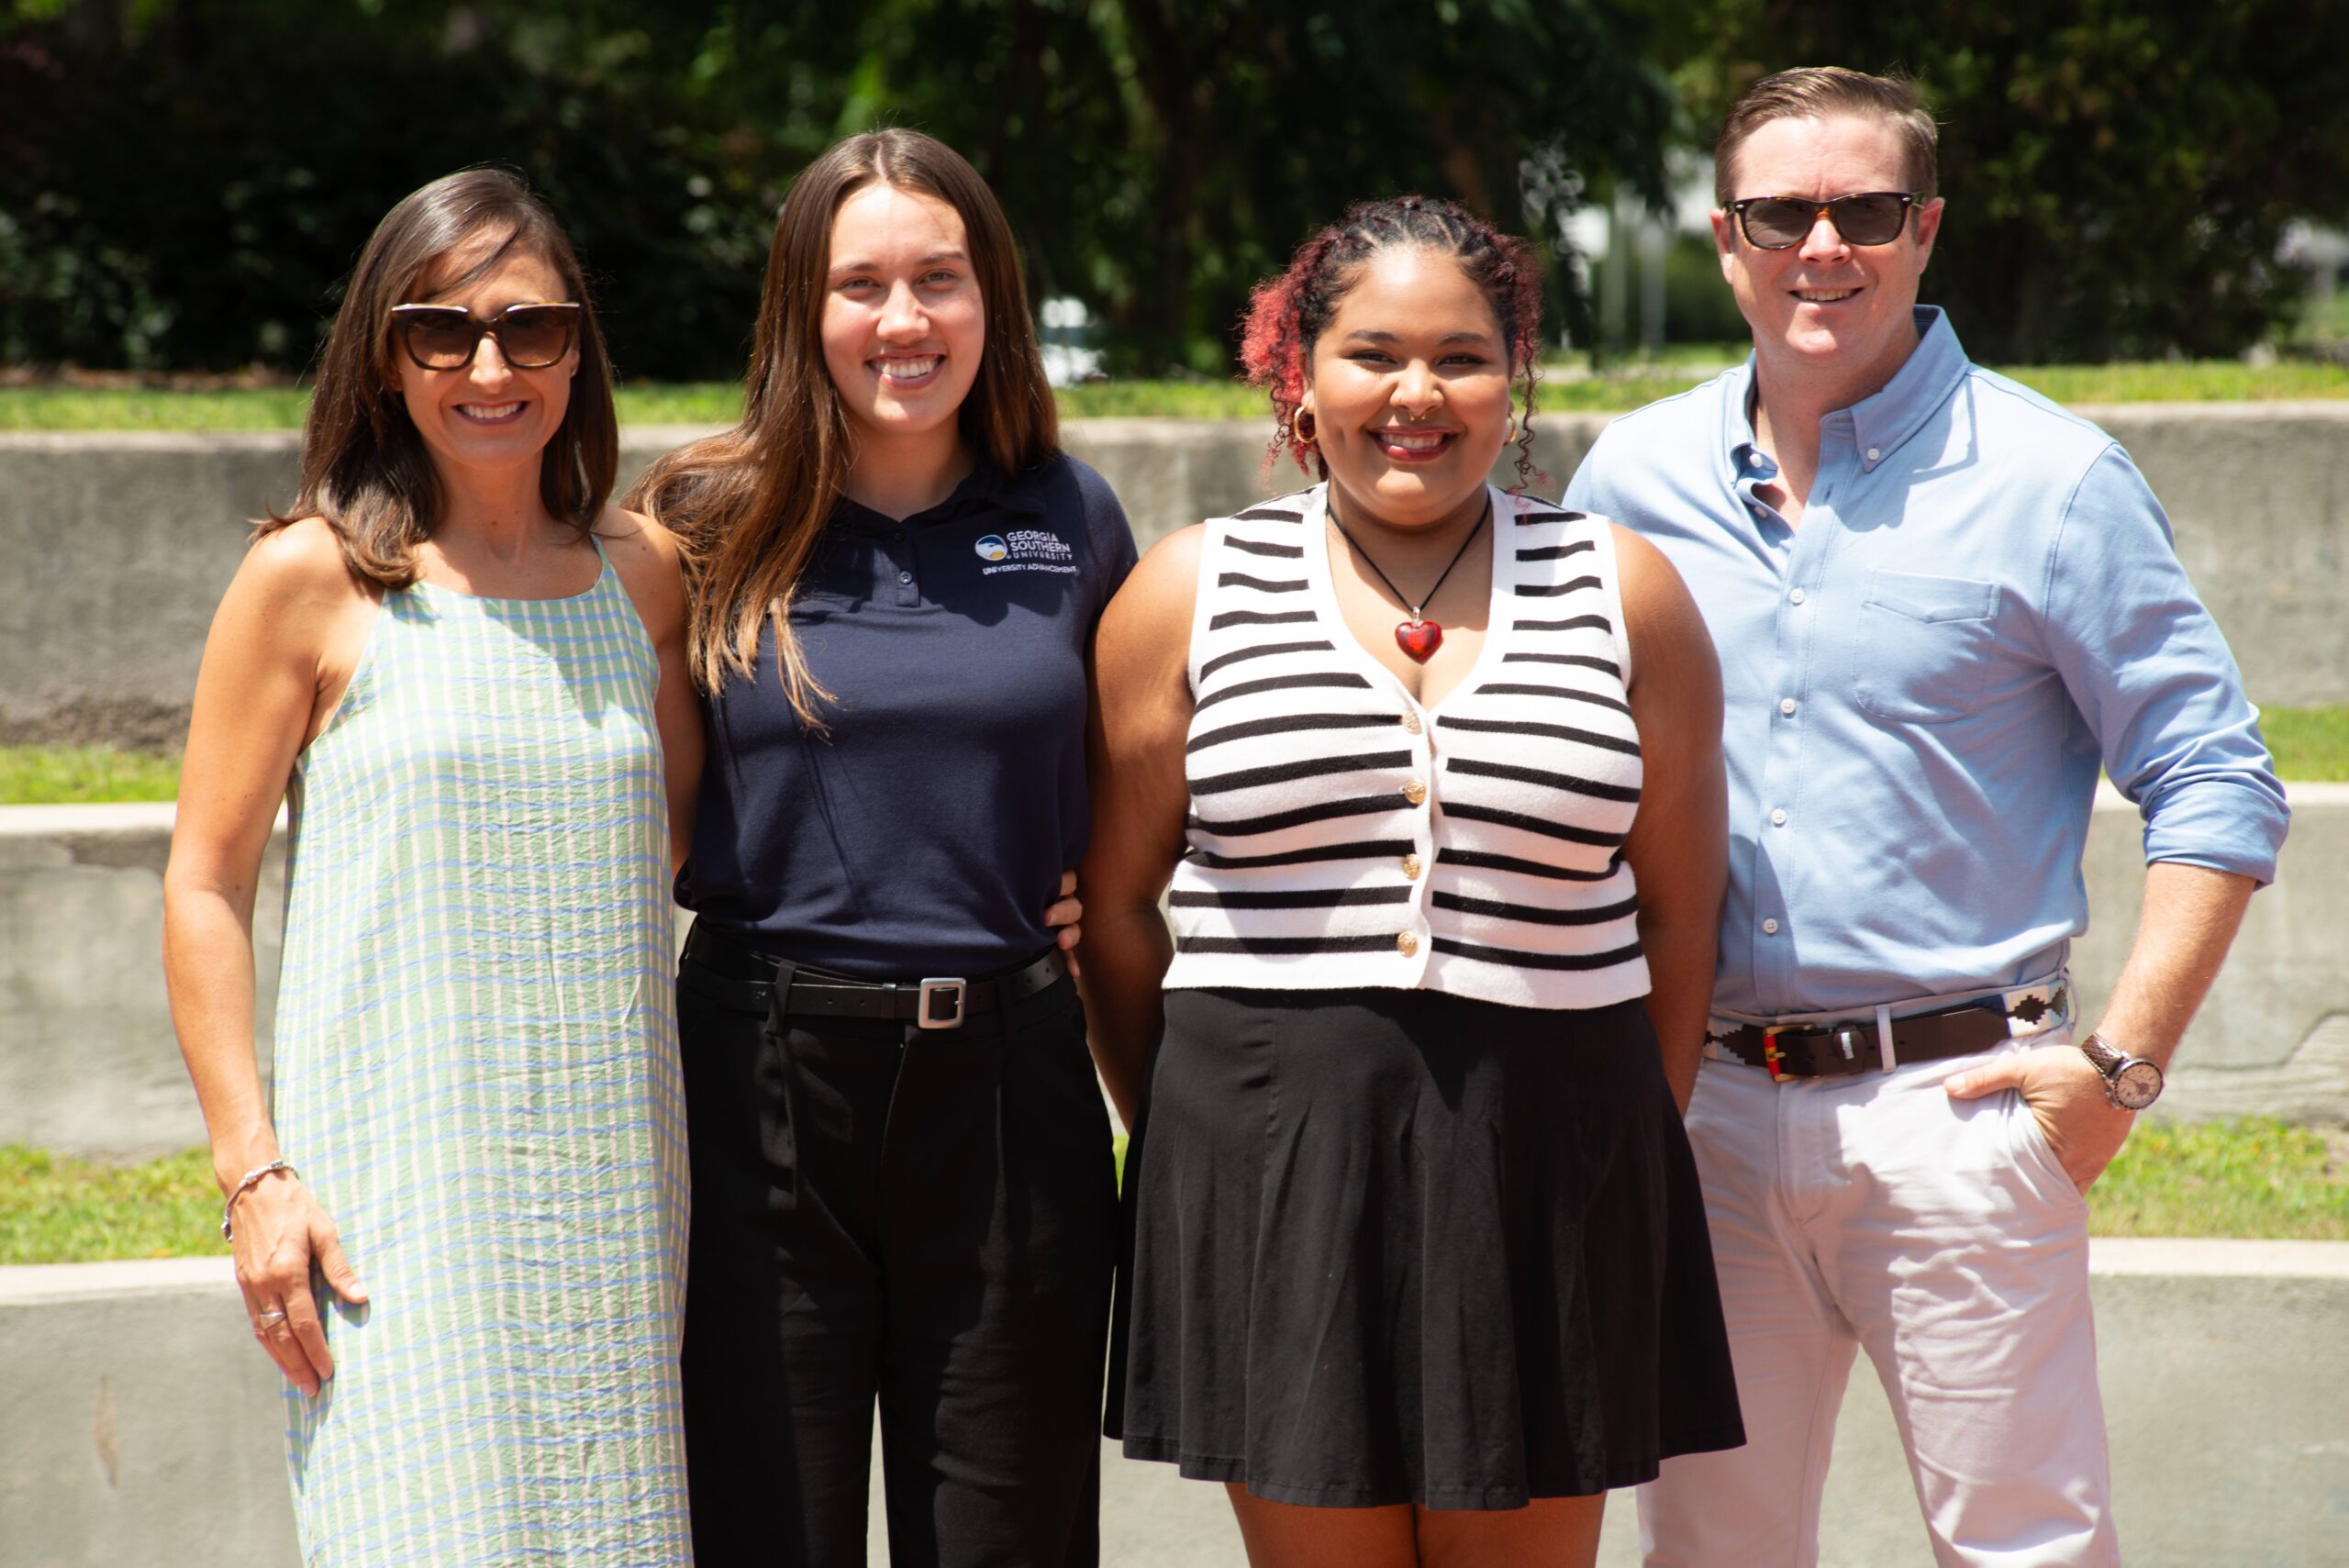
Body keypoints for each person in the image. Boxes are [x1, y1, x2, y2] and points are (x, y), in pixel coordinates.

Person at [1561, 67, 2291, 1568]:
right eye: (1781, 213)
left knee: (2020, 1548)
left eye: (1867, 210)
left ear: (1927, 229)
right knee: (1709, 1551)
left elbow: (2214, 777)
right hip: (1702, 1112)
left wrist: (2120, 1068)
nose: (1822, 246)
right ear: (1724, 239)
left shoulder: (2055, 479)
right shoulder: (1627, 481)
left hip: (1956, 1111)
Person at [1079, 195, 1747, 1568]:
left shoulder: (1625, 591)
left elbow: (1681, 910)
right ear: (1299, 375)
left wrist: (1611, 1137)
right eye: (1374, 352)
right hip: (1270, 1160)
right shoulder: (1188, 590)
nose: (1417, 394)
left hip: (1556, 1155)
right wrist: (1216, 1136)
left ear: (1516, 379)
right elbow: (1119, 903)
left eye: (1463, 356)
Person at [162, 169, 702, 1564]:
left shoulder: (643, 580)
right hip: (396, 1213)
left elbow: (693, 842)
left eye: (532, 327)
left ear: (579, 348)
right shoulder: (309, 578)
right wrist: (255, 1173)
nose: (489, 366)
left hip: (612, 1198)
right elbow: (203, 885)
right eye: (439, 329)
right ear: (379, 352)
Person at [627, 129, 1131, 1568]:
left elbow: (1120, 792)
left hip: (1009, 1093)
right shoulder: (700, 520)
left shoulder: (1071, 515)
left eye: (940, 279)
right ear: (804, 308)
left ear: (995, 301)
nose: (903, 321)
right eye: (862, 285)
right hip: (762, 1085)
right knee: (761, 1531)